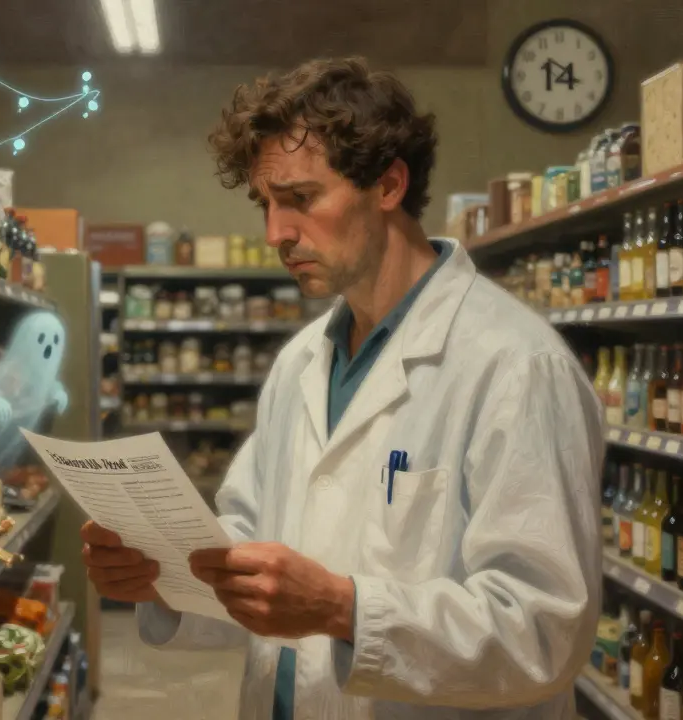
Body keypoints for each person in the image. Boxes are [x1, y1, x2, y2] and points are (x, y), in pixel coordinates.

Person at [80, 57, 604, 719]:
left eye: (300, 198)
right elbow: (245, 534)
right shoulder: (303, 359)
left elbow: (544, 631)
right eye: (265, 205)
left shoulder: (515, 366)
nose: (276, 234)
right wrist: (159, 576)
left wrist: (343, 608)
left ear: (387, 185)